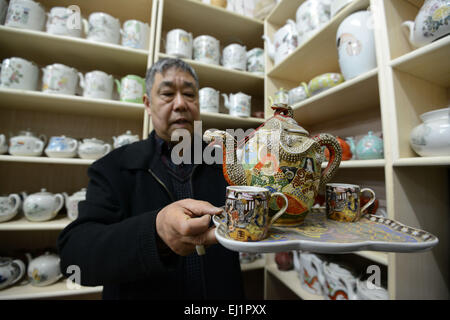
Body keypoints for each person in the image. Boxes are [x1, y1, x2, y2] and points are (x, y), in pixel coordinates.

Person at [57, 58, 245, 300]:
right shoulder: (114, 167)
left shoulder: (225, 163)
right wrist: (155, 232)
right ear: (147, 104)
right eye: (167, 94)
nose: (180, 104)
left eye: (189, 94)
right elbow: (75, 256)